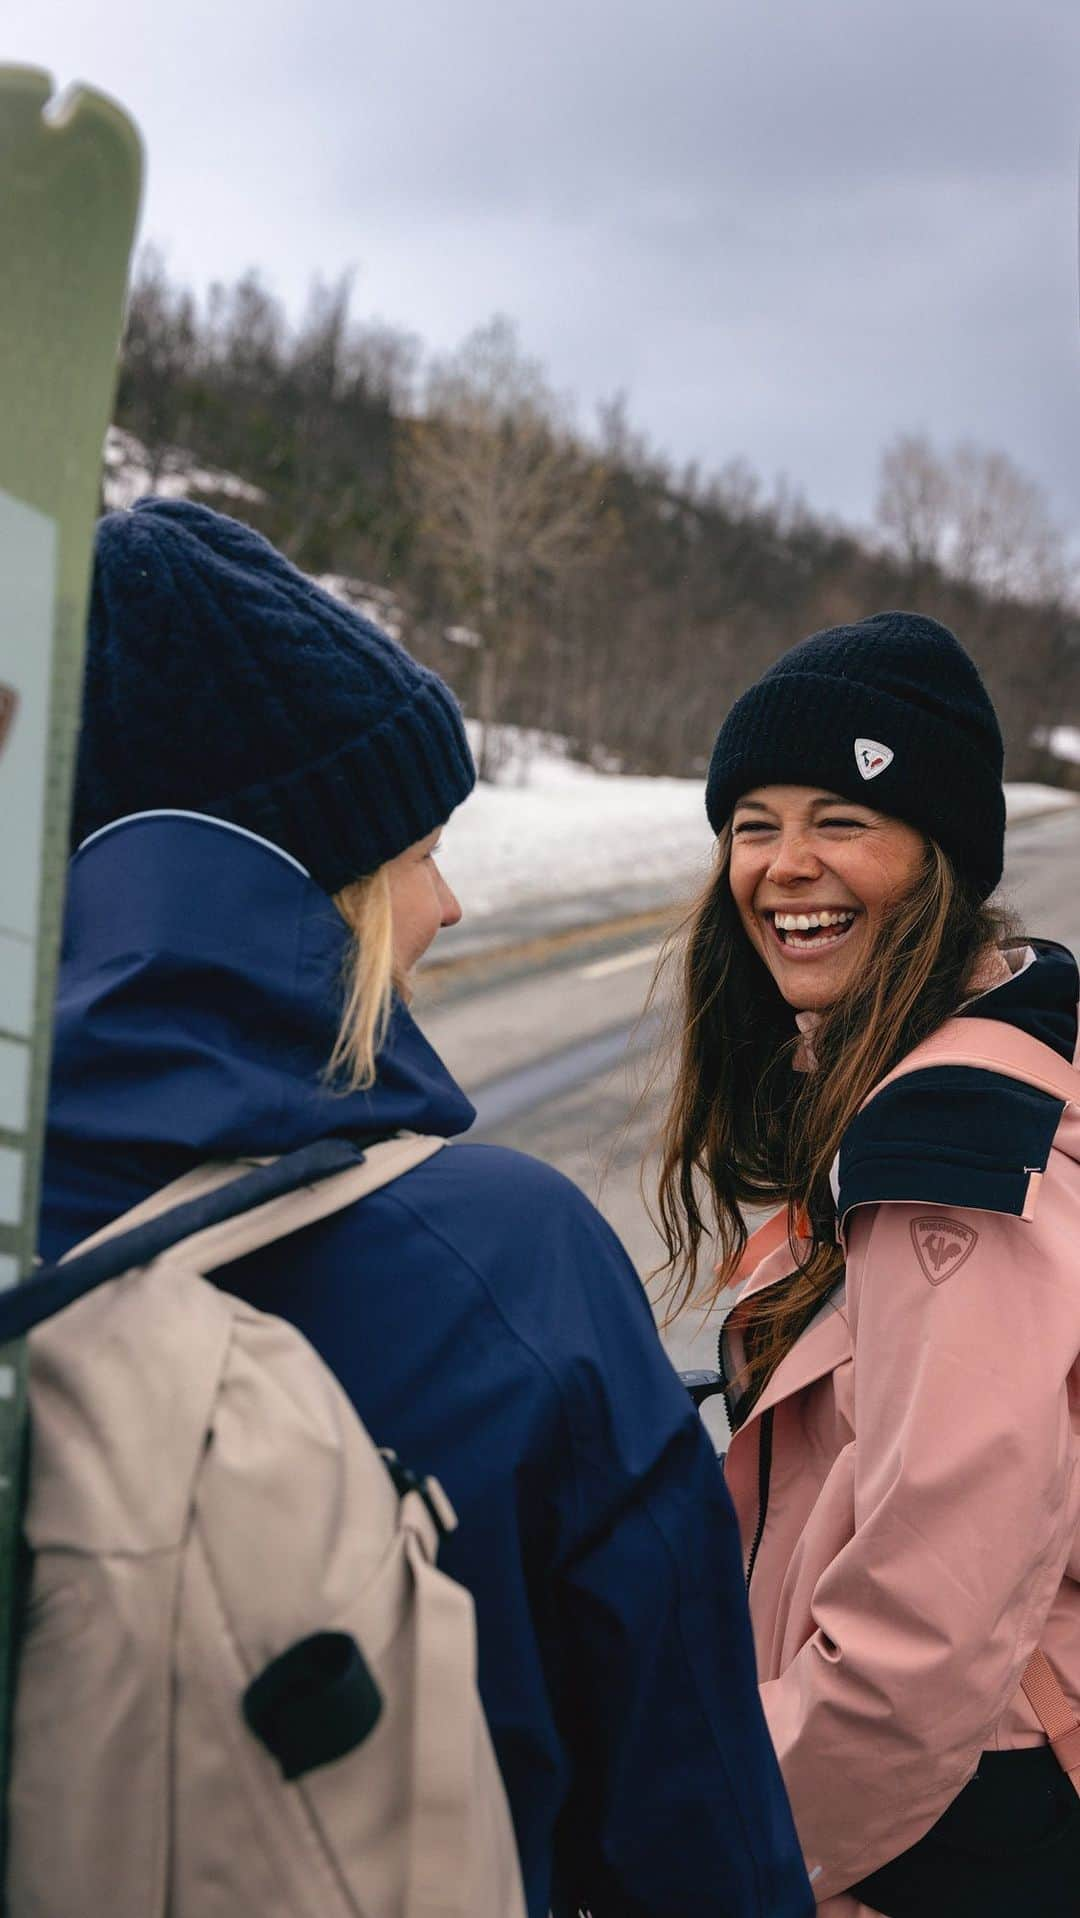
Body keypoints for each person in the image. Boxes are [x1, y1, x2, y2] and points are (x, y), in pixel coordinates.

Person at [40, 497, 812, 1918]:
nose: (452, 902)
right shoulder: (515, 1262)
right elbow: (699, 1827)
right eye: (412, 849)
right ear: (303, 883)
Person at [654, 610, 1080, 1916]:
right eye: (753, 822)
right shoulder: (937, 1062)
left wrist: (729, 1836)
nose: (783, 867)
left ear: (937, 850)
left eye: (840, 816)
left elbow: (928, 1626)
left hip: (951, 1814)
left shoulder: (955, 1136)